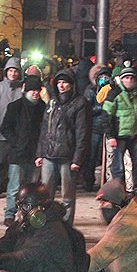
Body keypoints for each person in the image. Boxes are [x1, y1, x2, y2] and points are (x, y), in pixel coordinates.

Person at [35, 68, 92, 225]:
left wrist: (77, 159)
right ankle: (45, 225)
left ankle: (66, 227)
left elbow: (82, 133)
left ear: (72, 84)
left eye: (65, 82)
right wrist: (40, 153)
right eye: (59, 82)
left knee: (67, 196)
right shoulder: (52, 103)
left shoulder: (80, 103)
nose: (61, 85)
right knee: (45, 194)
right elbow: (44, 129)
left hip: (68, 156)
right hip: (49, 154)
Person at [0, 75, 46, 226]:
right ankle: (10, 214)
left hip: (34, 154)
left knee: (31, 187)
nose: (35, 93)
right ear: (26, 90)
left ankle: (28, 214)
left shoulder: (42, 108)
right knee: (14, 187)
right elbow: (5, 128)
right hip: (18, 154)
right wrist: (17, 142)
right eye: (32, 90)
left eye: (37, 90)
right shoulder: (15, 106)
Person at [0, 57, 24, 197]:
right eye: (10, 71)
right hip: (0, 132)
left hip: (17, 133)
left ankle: (11, 189)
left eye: (15, 71)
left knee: (15, 163)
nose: (13, 74)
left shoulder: (22, 89)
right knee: (0, 162)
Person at [102, 65, 137, 187]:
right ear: (121, 79)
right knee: (118, 167)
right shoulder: (114, 94)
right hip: (119, 136)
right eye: (126, 77)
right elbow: (106, 115)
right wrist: (110, 135)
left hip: (136, 134)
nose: (129, 80)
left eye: (131, 78)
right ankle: (117, 190)